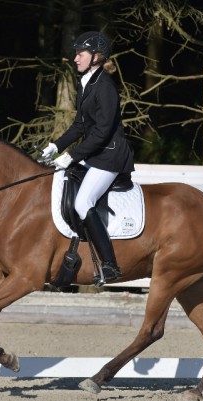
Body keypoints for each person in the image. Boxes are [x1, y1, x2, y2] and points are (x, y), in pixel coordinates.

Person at [41, 31, 134, 283]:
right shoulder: (87, 82)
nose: (75, 58)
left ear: (96, 56)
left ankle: (110, 265)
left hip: (110, 156)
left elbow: (103, 132)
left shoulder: (105, 87)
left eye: (79, 54)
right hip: (95, 153)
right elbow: (80, 126)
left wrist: (71, 156)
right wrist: (56, 146)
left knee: (83, 203)